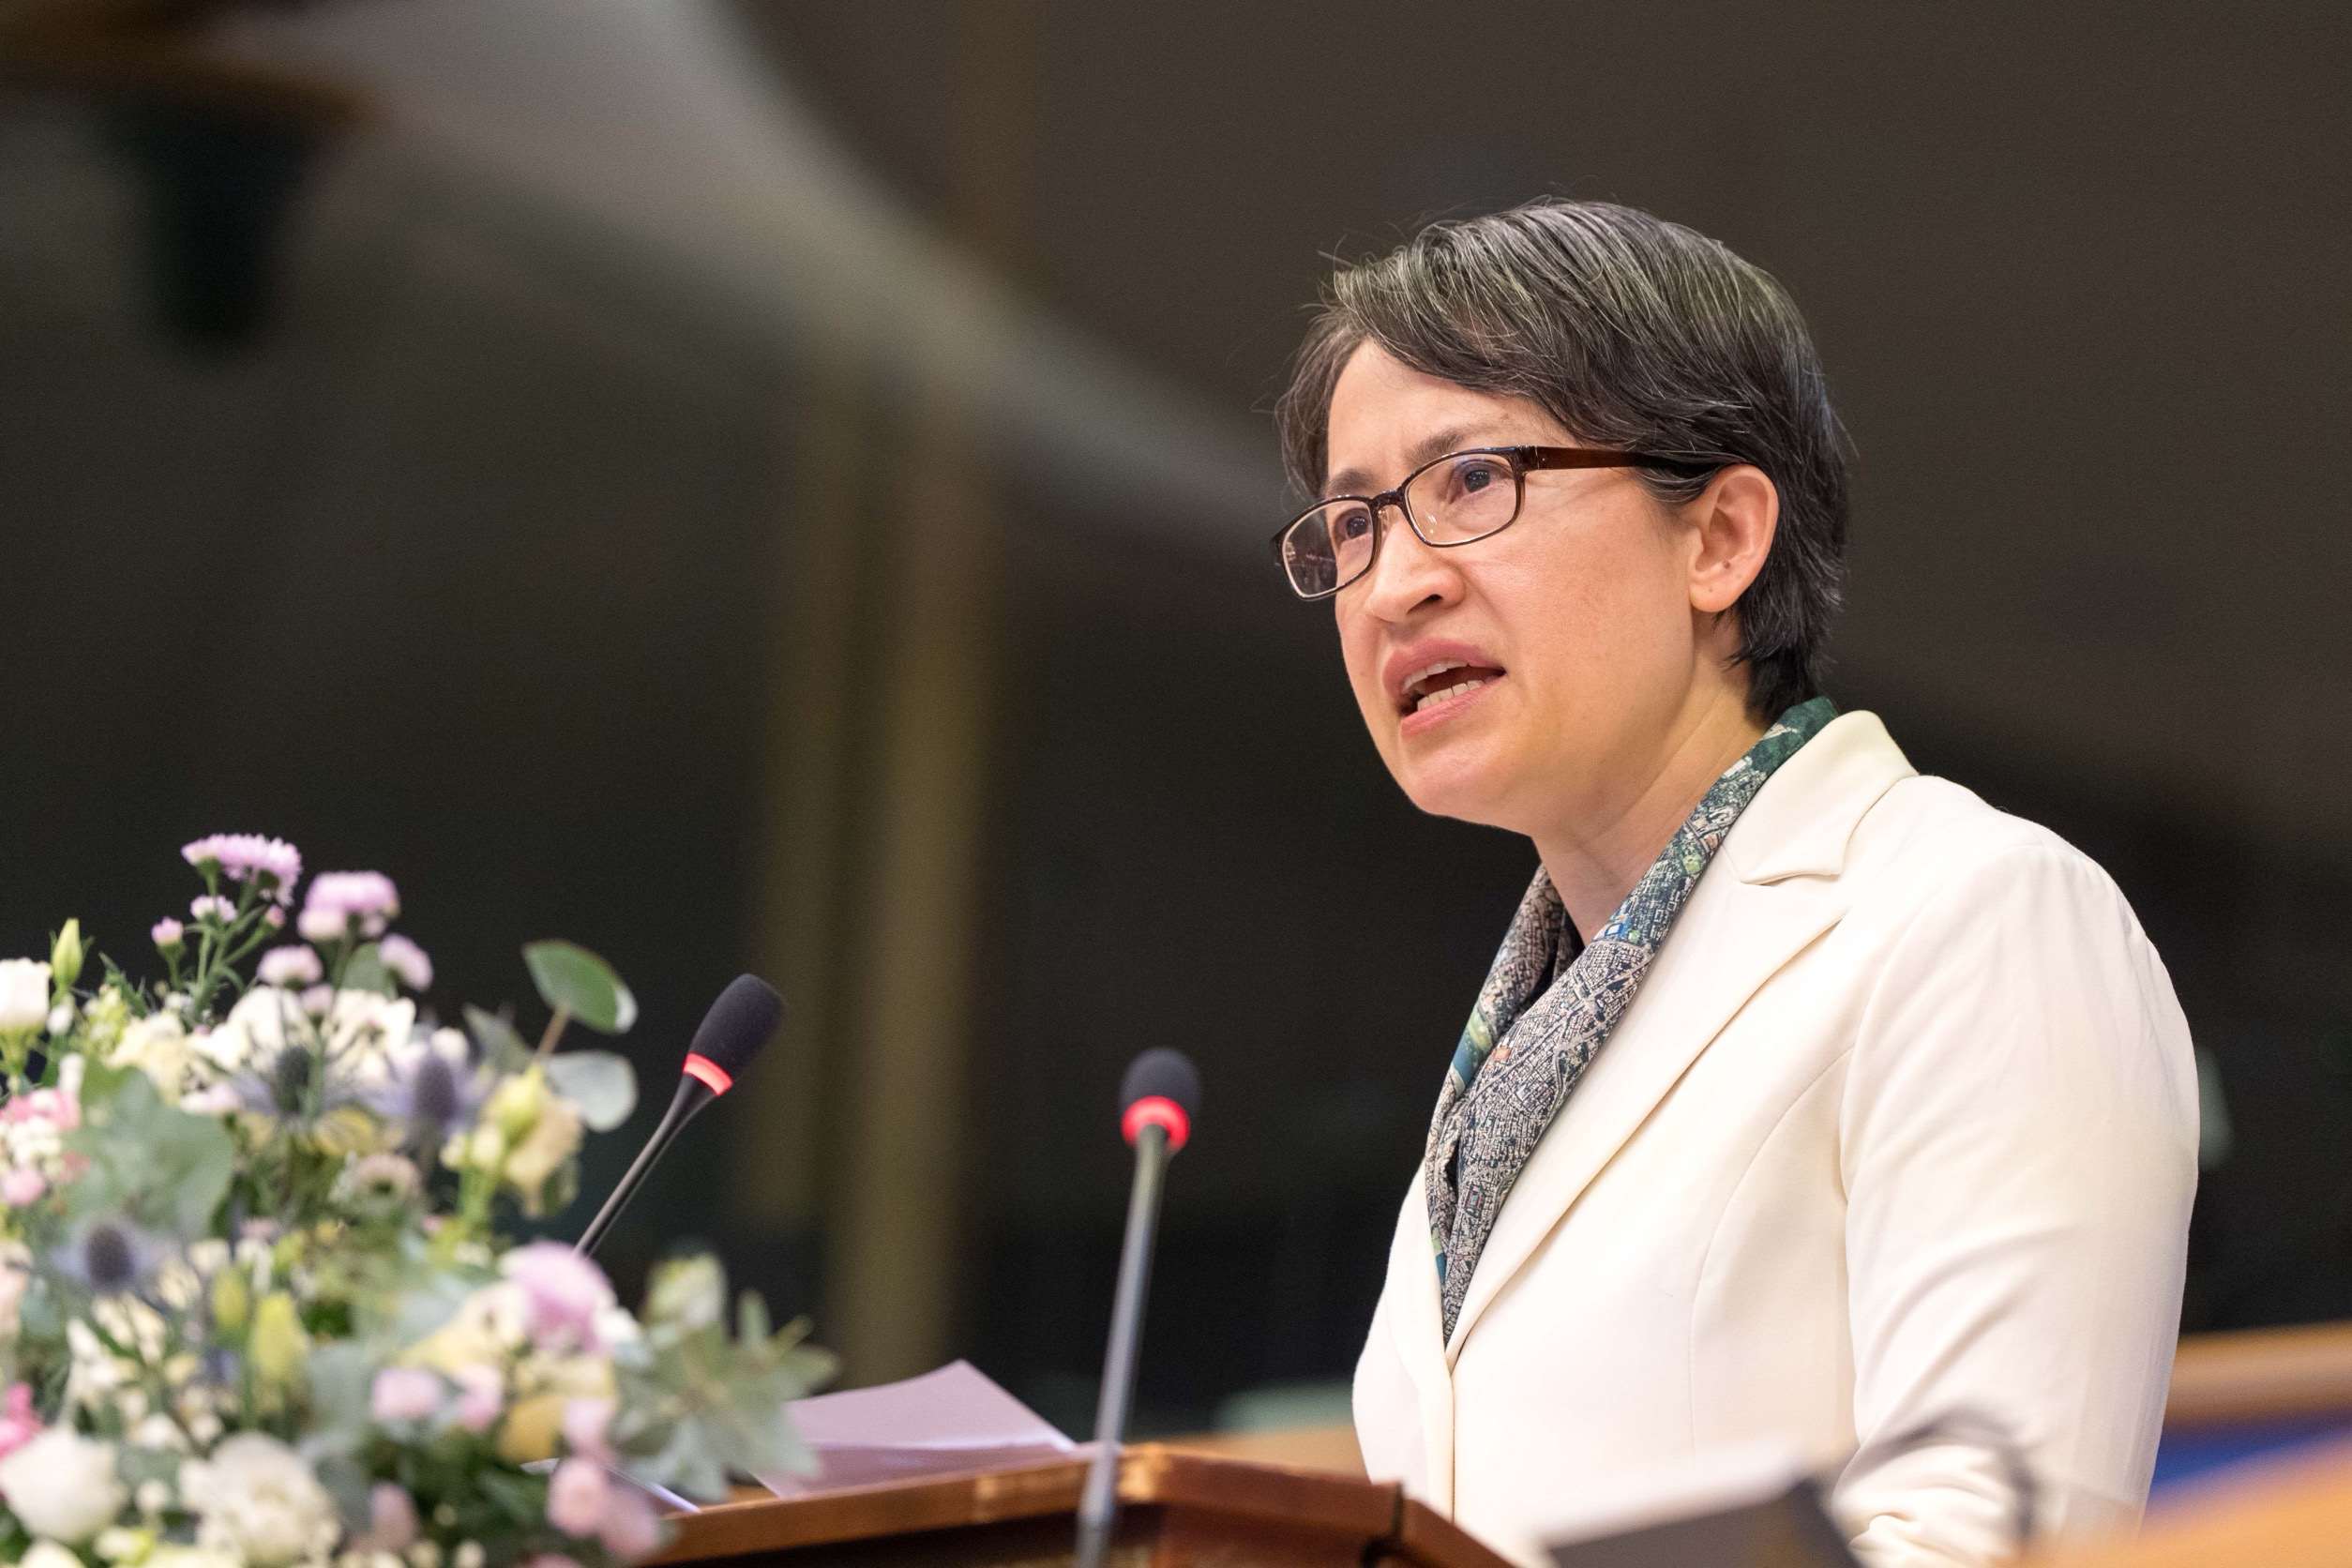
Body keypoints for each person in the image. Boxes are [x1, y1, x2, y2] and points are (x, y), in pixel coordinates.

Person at [1268, 199, 2196, 1567]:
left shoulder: (1975, 918)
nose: (1394, 584)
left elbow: (1993, 1543)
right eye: (1354, 523)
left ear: (1720, 539)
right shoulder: (1503, 1075)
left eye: (1471, 482)